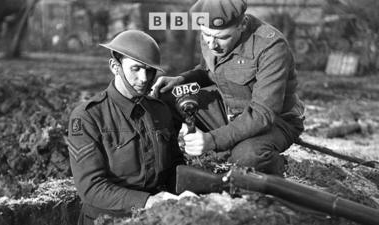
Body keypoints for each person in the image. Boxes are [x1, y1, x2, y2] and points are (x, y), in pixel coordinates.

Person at [151, 0, 305, 175]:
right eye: (206, 35)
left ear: (243, 24)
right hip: (232, 113)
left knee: (246, 158)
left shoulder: (271, 47)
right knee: (168, 97)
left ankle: (277, 166)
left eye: (222, 37)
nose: (211, 44)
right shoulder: (212, 36)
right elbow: (209, 71)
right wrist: (181, 79)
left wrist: (212, 140)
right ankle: (173, 163)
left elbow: (263, 114)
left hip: (276, 120)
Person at [67, 30, 184, 225]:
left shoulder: (160, 110)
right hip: (107, 218)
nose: (145, 78)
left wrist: (194, 190)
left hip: (154, 215)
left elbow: (174, 165)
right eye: (136, 69)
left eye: (150, 70)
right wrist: (147, 201)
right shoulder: (88, 116)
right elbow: (91, 188)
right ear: (115, 66)